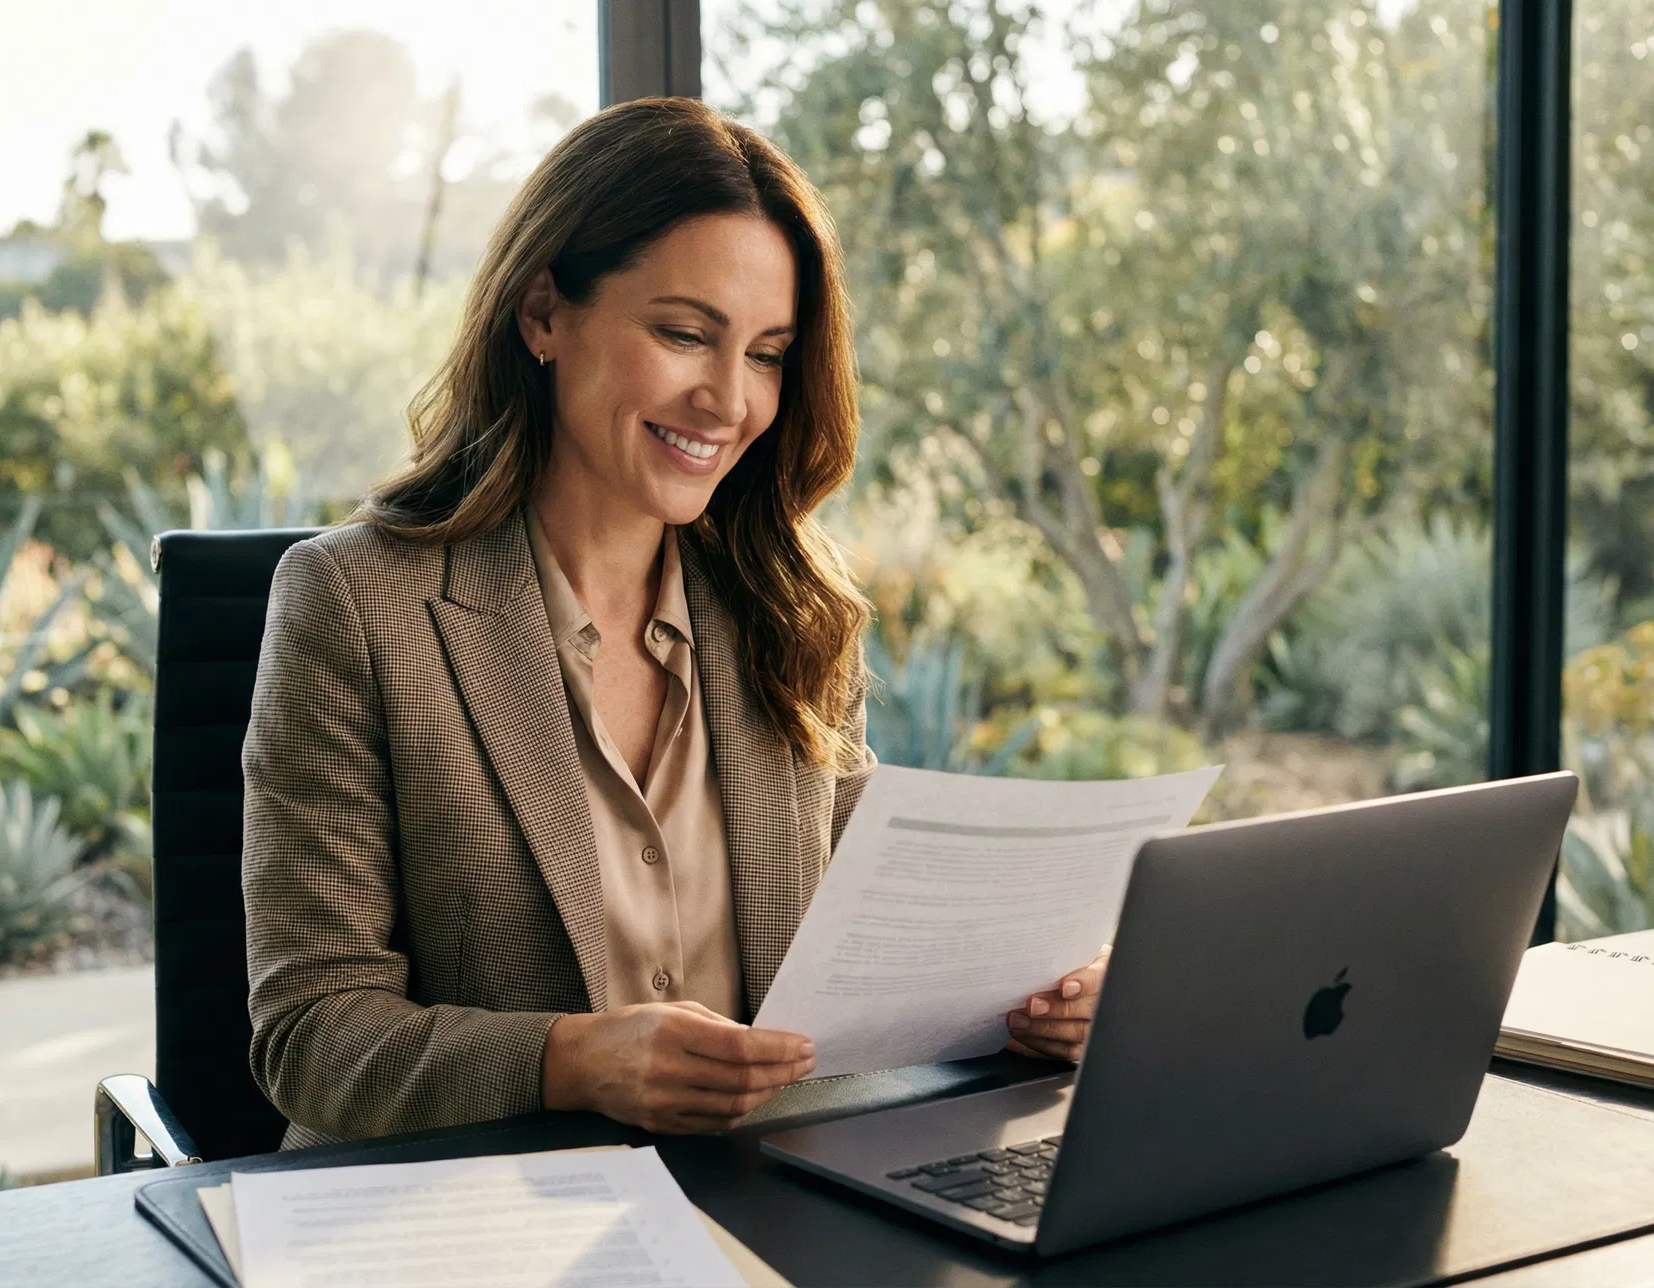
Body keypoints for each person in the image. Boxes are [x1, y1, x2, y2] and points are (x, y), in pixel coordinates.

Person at [242, 96, 1107, 1149]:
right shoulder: (354, 603)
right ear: (542, 314)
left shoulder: (789, 607)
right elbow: (311, 1033)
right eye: (686, 335)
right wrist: (571, 1061)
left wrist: (1036, 994)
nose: (729, 401)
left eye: (768, 354)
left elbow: (868, 942)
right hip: (475, 1203)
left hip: (759, 1191)